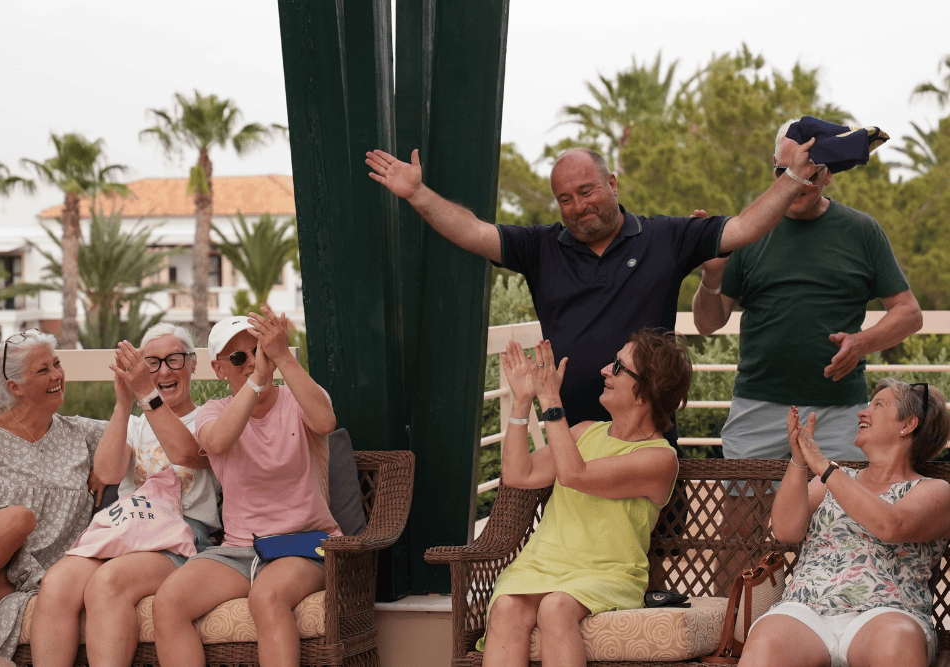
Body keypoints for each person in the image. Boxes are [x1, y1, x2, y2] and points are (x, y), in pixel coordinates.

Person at [365, 140, 820, 436]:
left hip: (647, 435)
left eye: (587, 191)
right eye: (566, 199)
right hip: (570, 434)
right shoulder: (541, 247)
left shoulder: (666, 237)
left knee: (651, 566)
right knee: (572, 558)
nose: (578, 206)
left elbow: (743, 227)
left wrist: (794, 179)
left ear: (613, 184)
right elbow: (473, 231)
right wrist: (417, 194)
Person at [692, 118, 922, 462]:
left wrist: (860, 344)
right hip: (756, 406)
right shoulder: (745, 229)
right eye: (786, 172)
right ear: (773, 169)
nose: (797, 183)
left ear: (828, 175)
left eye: (809, 174)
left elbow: (909, 313)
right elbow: (707, 324)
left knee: (841, 515)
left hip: (841, 412)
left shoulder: (863, 231)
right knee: (743, 514)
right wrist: (710, 278)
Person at [478, 328, 692, 666]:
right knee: (505, 608)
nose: (606, 370)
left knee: (555, 607)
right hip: (544, 562)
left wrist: (551, 400)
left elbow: (574, 475)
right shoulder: (581, 432)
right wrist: (522, 401)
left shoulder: (659, 459)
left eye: (619, 367)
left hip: (608, 572)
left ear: (643, 394)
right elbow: (519, 475)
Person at [153, 305, 338, 667]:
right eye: (239, 358)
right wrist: (255, 384)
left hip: (305, 541)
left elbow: (326, 420)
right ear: (219, 369)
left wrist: (283, 356)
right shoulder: (212, 411)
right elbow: (218, 442)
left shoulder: (296, 397)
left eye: (260, 351)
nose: (254, 362)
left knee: (266, 597)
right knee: (169, 602)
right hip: (241, 550)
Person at [30, 323, 221, 667]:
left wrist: (148, 394)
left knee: (107, 582)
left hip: (181, 536)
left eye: (174, 360)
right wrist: (123, 403)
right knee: (57, 584)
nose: (163, 371)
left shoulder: (211, 419)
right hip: (125, 528)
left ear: (193, 364)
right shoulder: (136, 424)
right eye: (152, 363)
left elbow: (185, 454)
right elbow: (106, 473)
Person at [739, 379, 950, 667]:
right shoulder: (834, 481)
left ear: (908, 424)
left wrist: (824, 465)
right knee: (764, 643)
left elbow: (890, 526)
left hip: (887, 612)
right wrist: (800, 460)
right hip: (806, 608)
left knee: (896, 642)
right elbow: (786, 530)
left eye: (878, 405)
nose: (863, 413)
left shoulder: (933, 490)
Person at [0, 330, 110, 657]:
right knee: (18, 517)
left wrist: (106, 465)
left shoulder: (83, 433)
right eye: (43, 370)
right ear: (15, 387)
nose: (57, 375)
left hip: (29, 568)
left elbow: (135, 438)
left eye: (57, 364)